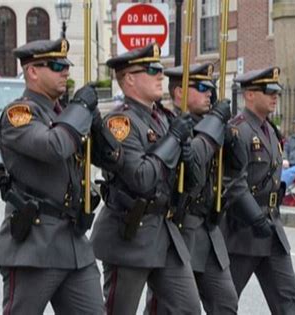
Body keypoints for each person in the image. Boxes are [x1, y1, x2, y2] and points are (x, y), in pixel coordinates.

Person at [0, 38, 119, 314]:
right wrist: (80, 111)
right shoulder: (19, 113)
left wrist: (95, 123)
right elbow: (54, 146)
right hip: (35, 243)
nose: (65, 71)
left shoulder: (66, 113)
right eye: (57, 65)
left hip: (73, 241)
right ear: (32, 71)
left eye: (66, 65)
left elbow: (111, 158)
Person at [90, 42, 202, 315]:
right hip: (129, 232)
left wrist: (187, 156)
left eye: (160, 69)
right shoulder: (120, 123)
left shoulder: (163, 119)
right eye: (151, 70)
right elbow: (141, 178)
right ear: (129, 79)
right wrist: (173, 140)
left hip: (164, 231)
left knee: (188, 309)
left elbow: (191, 182)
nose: (160, 75)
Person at [143, 63, 238, 314]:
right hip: (181, 227)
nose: (209, 93)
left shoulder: (212, 124)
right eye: (203, 87)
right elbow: (194, 160)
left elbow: (238, 165)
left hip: (209, 228)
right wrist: (214, 122)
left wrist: (225, 129)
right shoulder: (170, 124)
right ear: (179, 93)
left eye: (212, 88)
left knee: (226, 302)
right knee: (165, 308)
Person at [222, 67, 295, 314]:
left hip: (271, 229)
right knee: (225, 303)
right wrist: (255, 219)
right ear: (249, 95)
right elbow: (233, 183)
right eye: (268, 91)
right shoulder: (238, 130)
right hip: (242, 232)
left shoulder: (270, 129)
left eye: (275, 91)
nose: (274, 96)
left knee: (289, 300)